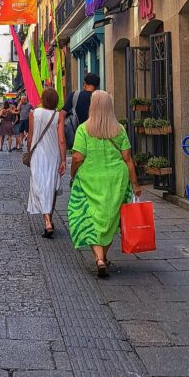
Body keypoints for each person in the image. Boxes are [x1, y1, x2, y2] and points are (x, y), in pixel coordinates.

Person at [68, 90, 141, 278]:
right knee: (110, 220)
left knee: (89, 218)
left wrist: (72, 173)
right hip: (116, 181)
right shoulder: (119, 129)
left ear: (93, 106)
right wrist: (135, 184)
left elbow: (77, 157)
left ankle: (99, 258)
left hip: (90, 180)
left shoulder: (83, 129)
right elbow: (128, 159)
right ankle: (103, 257)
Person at [27, 87, 66, 238]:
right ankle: (49, 218)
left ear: (42, 99)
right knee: (51, 186)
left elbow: (30, 137)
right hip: (53, 155)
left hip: (38, 155)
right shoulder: (59, 115)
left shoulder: (34, 114)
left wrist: (29, 151)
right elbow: (61, 140)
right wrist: (63, 160)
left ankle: (47, 221)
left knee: (39, 185)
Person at [63, 72, 100, 136]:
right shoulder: (100, 98)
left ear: (85, 84)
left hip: (76, 135)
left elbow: (62, 114)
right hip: (95, 136)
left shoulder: (75, 95)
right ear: (96, 86)